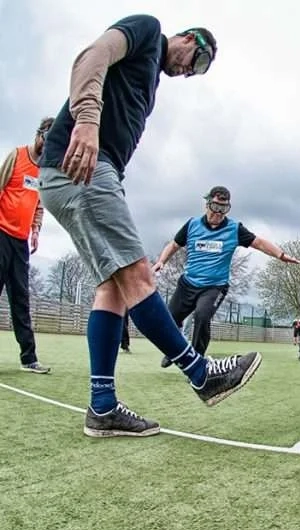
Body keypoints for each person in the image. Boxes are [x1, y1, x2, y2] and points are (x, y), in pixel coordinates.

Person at [38, 14, 264, 439]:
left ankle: (102, 408)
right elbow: (93, 55)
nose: (188, 72)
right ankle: (201, 373)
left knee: (113, 288)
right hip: (83, 170)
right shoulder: (146, 30)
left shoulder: (151, 82)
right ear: (186, 38)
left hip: (90, 176)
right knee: (137, 274)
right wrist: (86, 121)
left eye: (198, 73)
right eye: (196, 61)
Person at [153, 186, 298, 366]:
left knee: (202, 316)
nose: (219, 213)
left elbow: (259, 243)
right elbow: (173, 245)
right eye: (216, 207)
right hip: (188, 284)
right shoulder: (192, 225)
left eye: (224, 208)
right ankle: (175, 351)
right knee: (170, 319)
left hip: (214, 287)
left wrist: (281, 255)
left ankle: (195, 362)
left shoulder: (234, 229)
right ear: (207, 204)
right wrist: (161, 261)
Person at [0, 118, 54, 374]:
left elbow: (39, 205)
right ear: (39, 135)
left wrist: (35, 230)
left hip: (21, 241)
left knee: (21, 299)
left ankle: (28, 358)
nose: (47, 145)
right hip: (1, 234)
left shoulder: (43, 172)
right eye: (47, 138)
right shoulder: (17, 155)